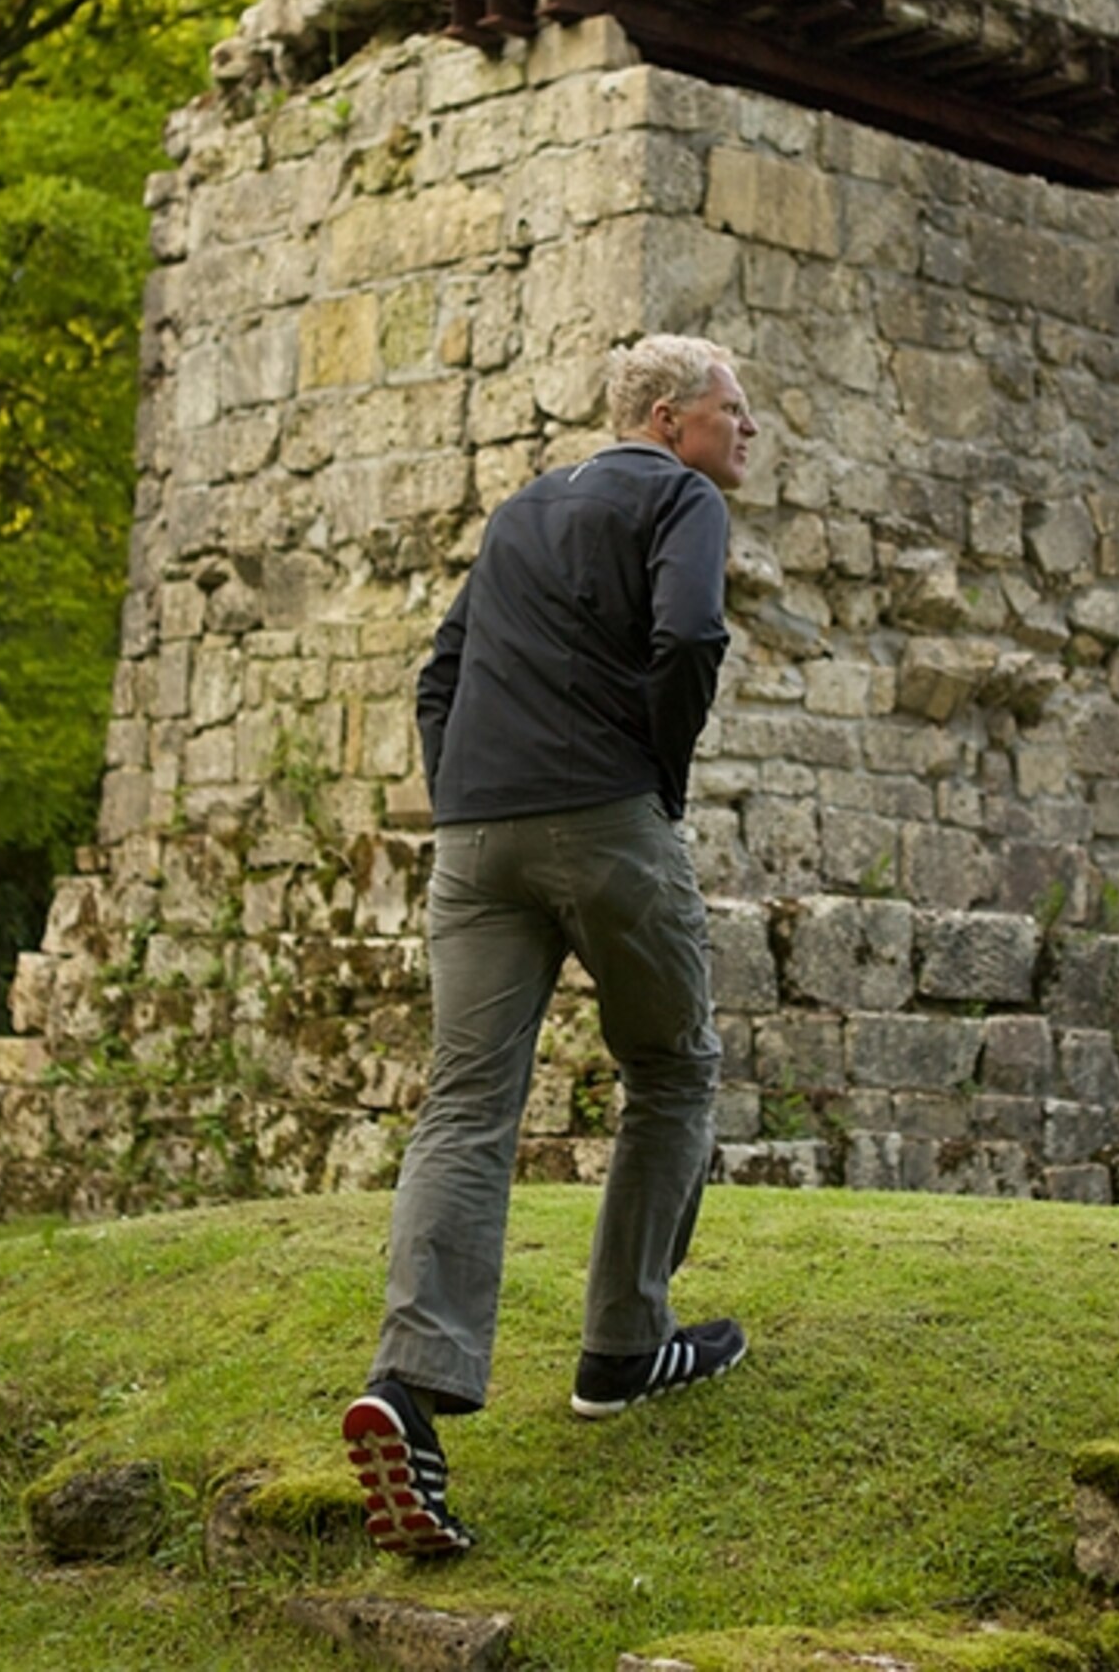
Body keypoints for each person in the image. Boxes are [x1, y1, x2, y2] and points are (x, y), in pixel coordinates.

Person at [342, 333, 764, 1557]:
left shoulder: (523, 509)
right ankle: (625, 1345)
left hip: (475, 839)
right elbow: (688, 638)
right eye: (733, 411)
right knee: (672, 1068)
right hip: (606, 821)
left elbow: (442, 670)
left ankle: (410, 1393)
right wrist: (657, 776)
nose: (746, 433)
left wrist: (468, 786)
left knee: (466, 1103)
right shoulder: (678, 496)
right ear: (668, 414)